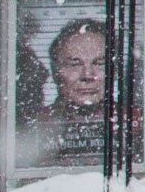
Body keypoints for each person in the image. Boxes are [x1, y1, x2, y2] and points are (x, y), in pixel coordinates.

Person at [37, 18, 107, 168]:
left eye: (99, 63)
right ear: (56, 72)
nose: (88, 75)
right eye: (75, 64)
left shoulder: (135, 122)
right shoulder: (37, 124)